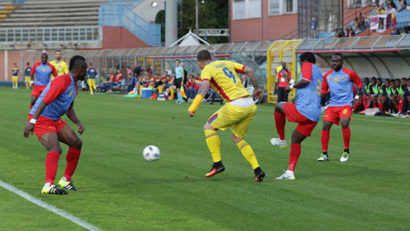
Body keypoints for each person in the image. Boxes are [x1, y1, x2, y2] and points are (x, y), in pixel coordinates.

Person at [188, 50, 265, 182]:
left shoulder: (207, 69)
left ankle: (217, 164)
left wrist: (194, 106)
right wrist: (257, 89)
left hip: (235, 105)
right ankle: (257, 170)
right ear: (211, 57)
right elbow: (250, 71)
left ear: (199, 63)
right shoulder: (225, 62)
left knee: (208, 127)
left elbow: (205, 85)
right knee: (237, 137)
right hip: (250, 105)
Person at [23, 55, 87, 195]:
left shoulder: (74, 87)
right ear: (80, 70)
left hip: (54, 119)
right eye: (86, 70)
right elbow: (44, 101)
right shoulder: (62, 81)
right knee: (55, 148)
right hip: (41, 118)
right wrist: (32, 121)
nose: (87, 73)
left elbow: (68, 108)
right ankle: (48, 185)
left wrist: (78, 122)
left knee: (76, 143)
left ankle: (65, 180)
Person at [271, 52, 323, 180]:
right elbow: (309, 88)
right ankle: (290, 172)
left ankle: (281, 139)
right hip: (315, 114)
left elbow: (305, 81)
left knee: (278, 106)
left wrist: (292, 85)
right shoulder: (318, 72)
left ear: (304, 61)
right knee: (295, 139)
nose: (300, 65)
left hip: (305, 110)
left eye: (300, 63)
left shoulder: (307, 65)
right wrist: (293, 88)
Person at [317, 54, 363, 162]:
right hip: (332, 105)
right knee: (325, 126)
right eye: (333, 61)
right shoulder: (327, 75)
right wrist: (319, 101)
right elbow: (323, 90)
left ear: (342, 62)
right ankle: (324, 154)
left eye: (337, 61)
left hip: (346, 104)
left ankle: (346, 151)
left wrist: (357, 96)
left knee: (345, 123)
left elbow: (359, 83)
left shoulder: (349, 73)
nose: (334, 63)